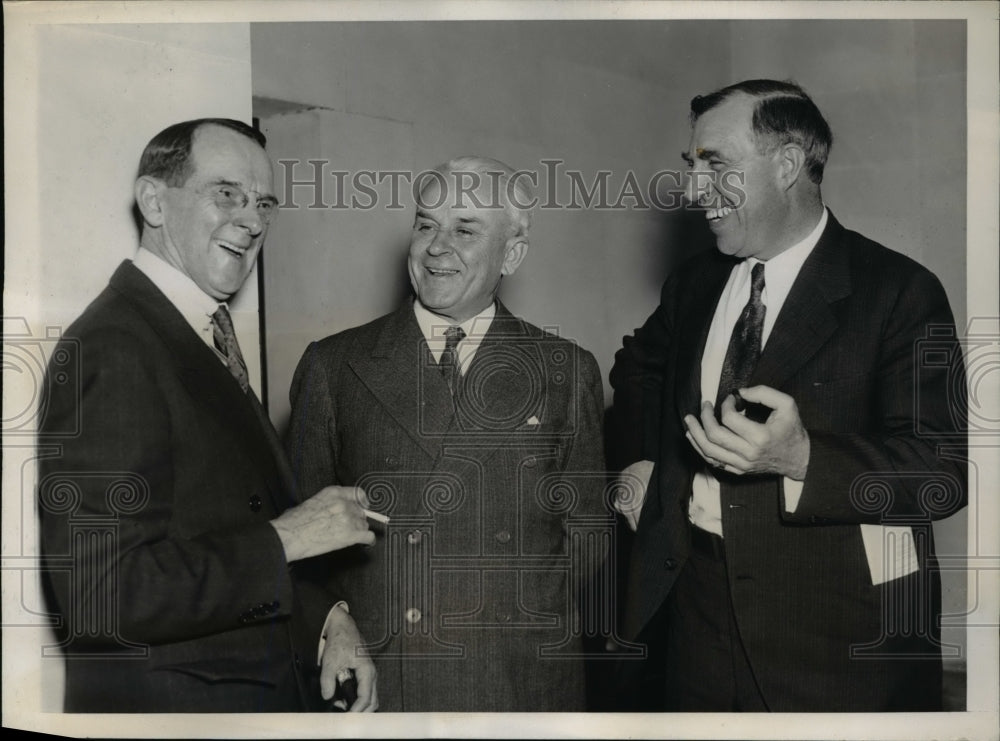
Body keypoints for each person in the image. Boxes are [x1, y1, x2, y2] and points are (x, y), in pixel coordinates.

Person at [609, 80, 967, 712]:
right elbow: (638, 368)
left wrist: (803, 459)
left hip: (838, 634)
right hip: (693, 616)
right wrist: (642, 459)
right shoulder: (694, 284)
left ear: (787, 165)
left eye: (715, 164)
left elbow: (941, 471)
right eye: (691, 165)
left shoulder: (898, 291)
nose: (693, 189)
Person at [38, 119, 378, 713]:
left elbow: (222, 523)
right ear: (154, 202)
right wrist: (290, 537)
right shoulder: (115, 346)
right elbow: (99, 596)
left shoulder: (191, 334)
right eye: (227, 194)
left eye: (263, 204)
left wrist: (328, 620)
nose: (252, 222)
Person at [286, 156, 609, 711]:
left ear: (512, 254)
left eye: (465, 230)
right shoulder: (335, 366)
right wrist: (330, 622)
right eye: (426, 225)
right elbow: (297, 531)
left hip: (519, 683)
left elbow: (586, 539)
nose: (437, 247)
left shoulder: (566, 370)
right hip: (382, 680)